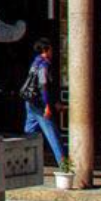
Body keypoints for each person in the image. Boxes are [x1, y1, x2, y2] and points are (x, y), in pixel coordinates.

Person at [21, 38, 65, 168]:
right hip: (39, 104)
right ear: (46, 50)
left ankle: (25, 161)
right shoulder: (43, 65)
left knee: (29, 133)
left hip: (29, 101)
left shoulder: (35, 62)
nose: (52, 51)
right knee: (52, 134)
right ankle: (64, 166)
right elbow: (43, 85)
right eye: (50, 48)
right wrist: (47, 106)